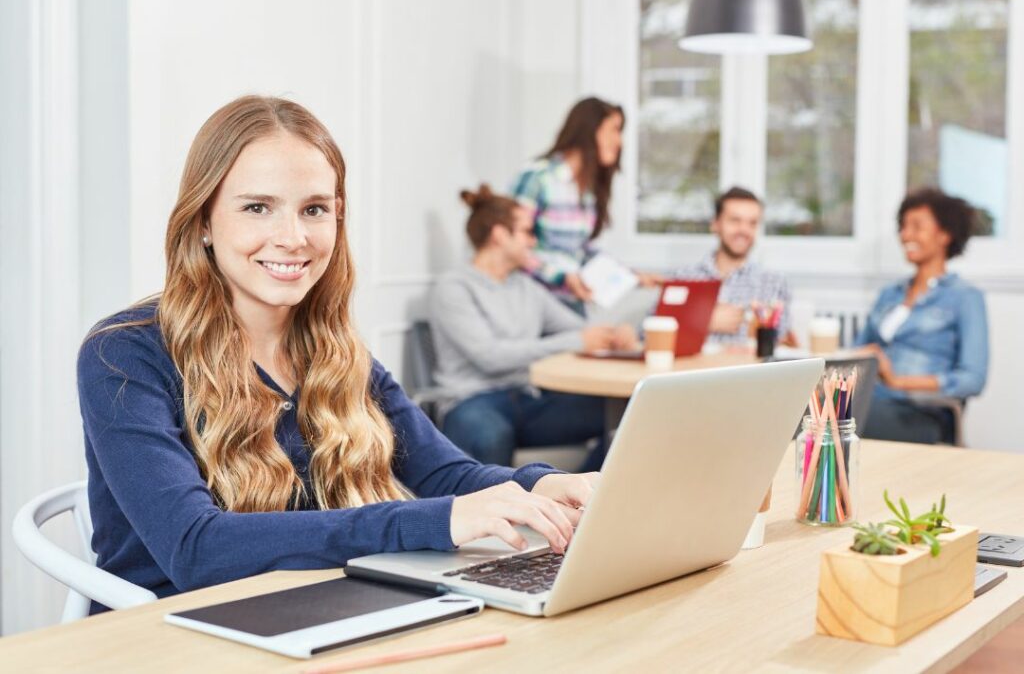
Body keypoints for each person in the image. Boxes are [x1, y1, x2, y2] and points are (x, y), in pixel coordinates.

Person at [77, 96, 598, 612]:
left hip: (309, 613)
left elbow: (447, 474)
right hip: (166, 635)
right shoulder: (123, 354)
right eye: (258, 207)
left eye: (314, 209)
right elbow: (195, 548)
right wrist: (438, 520)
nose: (293, 237)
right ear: (205, 221)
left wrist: (544, 484)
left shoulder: (338, 352)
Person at [430, 184, 636, 470]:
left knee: (628, 414)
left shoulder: (527, 288)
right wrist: (577, 341)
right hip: (471, 401)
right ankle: (497, 513)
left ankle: (578, 504)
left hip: (528, 400)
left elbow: (578, 327)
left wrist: (613, 334)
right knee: (489, 436)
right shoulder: (454, 288)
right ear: (500, 235)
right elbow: (490, 357)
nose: (533, 241)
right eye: (527, 232)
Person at [856, 188, 988, 444]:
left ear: (945, 234)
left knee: (833, 420)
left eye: (917, 226)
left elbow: (973, 379)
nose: (906, 235)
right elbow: (857, 348)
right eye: (903, 226)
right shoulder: (889, 294)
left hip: (921, 412)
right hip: (871, 399)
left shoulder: (965, 297)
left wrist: (897, 380)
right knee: (809, 408)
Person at [510, 96, 661, 314]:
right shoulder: (538, 177)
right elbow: (512, 244)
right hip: (533, 303)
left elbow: (580, 252)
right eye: (614, 130)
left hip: (570, 304)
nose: (619, 142)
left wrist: (632, 276)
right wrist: (561, 277)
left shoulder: (587, 190)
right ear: (589, 130)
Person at [672, 186, 795, 347]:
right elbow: (648, 337)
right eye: (735, 220)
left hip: (750, 371)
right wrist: (703, 322)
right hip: (694, 370)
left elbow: (782, 346)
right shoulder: (683, 278)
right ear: (715, 224)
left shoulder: (774, 282)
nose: (744, 230)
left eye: (752, 223)